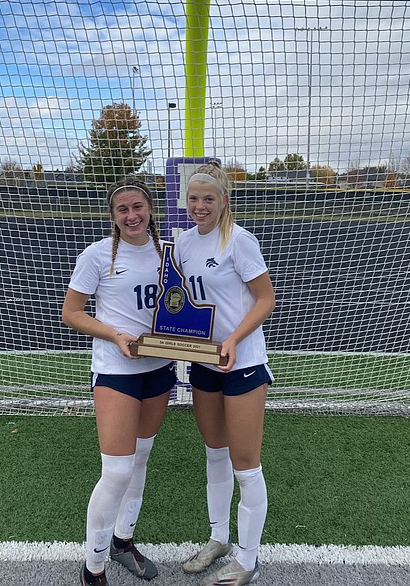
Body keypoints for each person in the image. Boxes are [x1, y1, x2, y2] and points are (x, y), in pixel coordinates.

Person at [62, 178, 176, 586]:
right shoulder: (96, 255)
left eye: (137, 207)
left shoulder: (169, 253)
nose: (131, 216)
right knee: (116, 471)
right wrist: (115, 335)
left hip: (160, 369)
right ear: (113, 216)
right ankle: (93, 568)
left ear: (150, 209)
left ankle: (123, 542)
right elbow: (71, 312)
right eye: (122, 209)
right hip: (116, 373)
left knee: (140, 459)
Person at [175, 162, 276, 586]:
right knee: (214, 452)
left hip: (243, 364)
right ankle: (218, 538)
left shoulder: (239, 240)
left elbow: (266, 299)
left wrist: (233, 339)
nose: (199, 206)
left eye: (208, 199)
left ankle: (248, 560)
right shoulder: (182, 243)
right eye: (193, 198)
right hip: (204, 363)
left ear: (223, 200)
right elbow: (180, 302)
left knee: (245, 464)